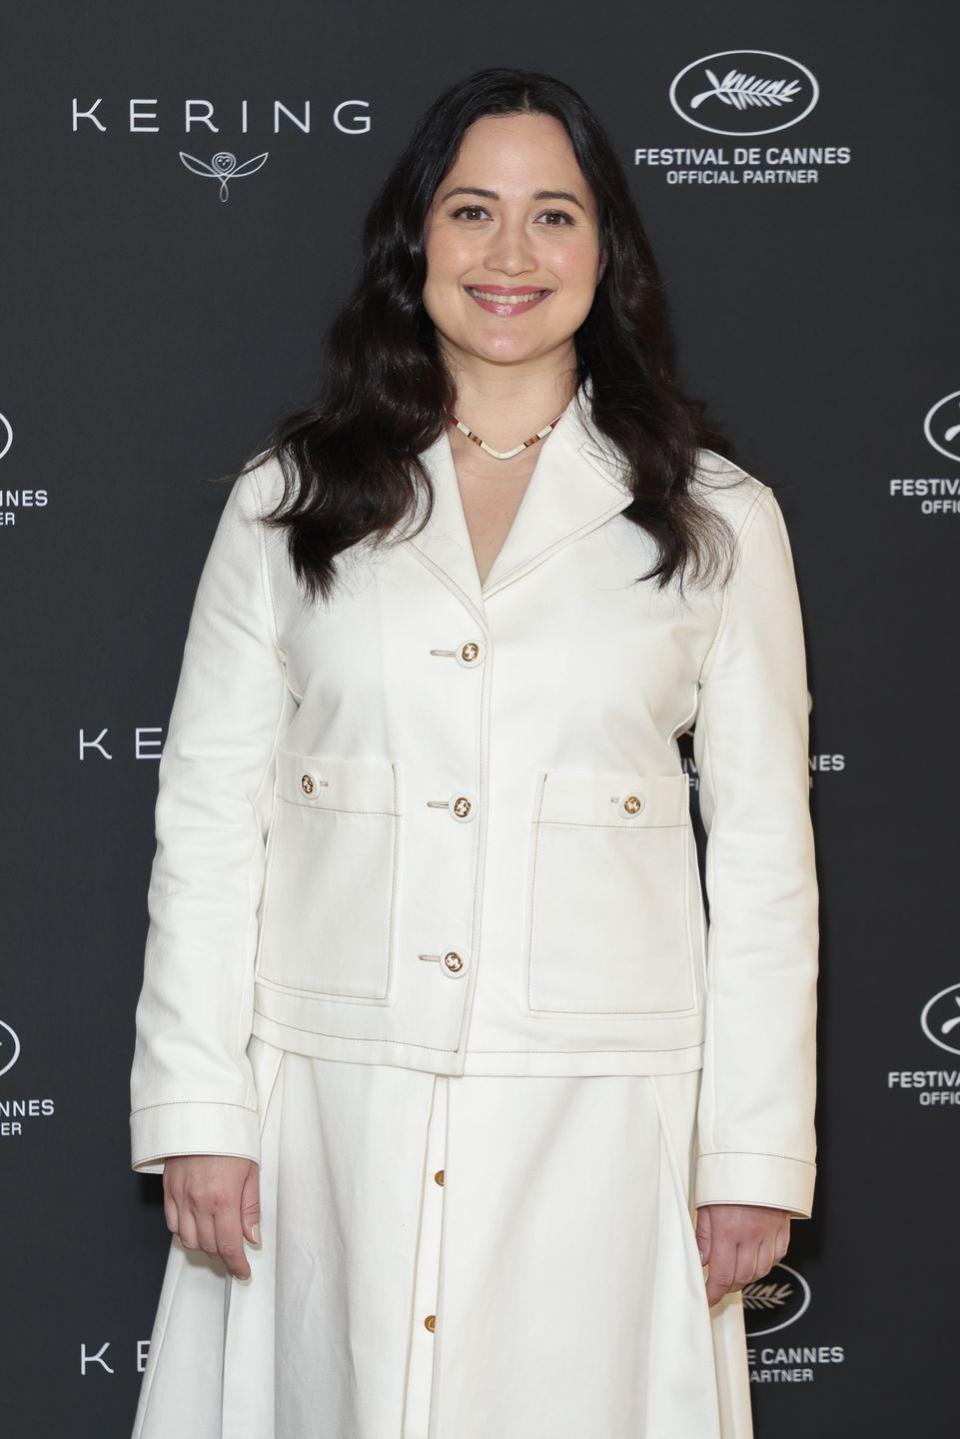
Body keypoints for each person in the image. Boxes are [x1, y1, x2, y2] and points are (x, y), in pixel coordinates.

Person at [128, 66, 818, 1439]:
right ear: (415, 245)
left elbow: (761, 856)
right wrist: (200, 1105)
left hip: (603, 1123)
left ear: (605, 252)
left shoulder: (720, 519)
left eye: (553, 216)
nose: (512, 256)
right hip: (331, 1114)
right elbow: (207, 818)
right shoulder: (290, 501)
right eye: (472, 212)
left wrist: (751, 1150)